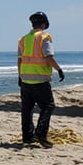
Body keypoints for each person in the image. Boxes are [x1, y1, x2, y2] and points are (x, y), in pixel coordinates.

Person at [18, 11, 64, 148]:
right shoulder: (44, 37)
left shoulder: (23, 39)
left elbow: (20, 60)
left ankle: (27, 136)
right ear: (44, 24)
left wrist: (19, 76)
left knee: (27, 109)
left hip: (25, 79)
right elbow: (48, 56)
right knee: (48, 106)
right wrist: (59, 70)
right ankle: (41, 133)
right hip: (40, 80)